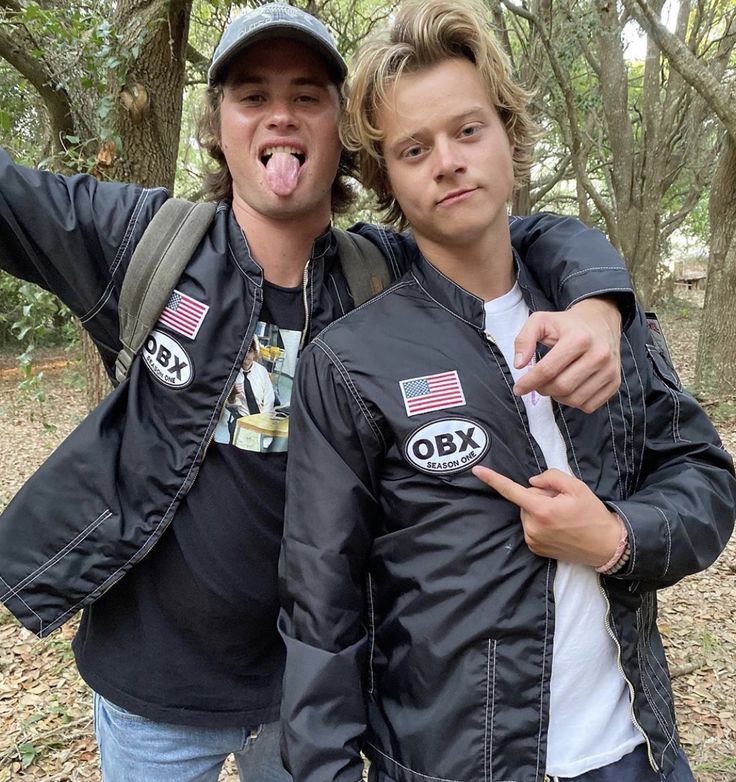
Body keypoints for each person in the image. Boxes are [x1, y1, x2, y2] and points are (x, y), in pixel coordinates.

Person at [0, 3, 633, 781]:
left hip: (307, 699)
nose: (280, 118)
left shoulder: (386, 278)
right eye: (252, 96)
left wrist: (602, 303)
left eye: (307, 96)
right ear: (219, 123)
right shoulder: (141, 243)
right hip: (151, 690)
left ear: (344, 130)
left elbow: (523, 233)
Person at [277, 2, 736, 781]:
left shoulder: (599, 319)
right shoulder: (351, 363)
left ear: (509, 134)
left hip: (635, 754)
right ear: (386, 175)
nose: (448, 161)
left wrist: (618, 538)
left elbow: (707, 483)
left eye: (467, 130)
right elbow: (322, 615)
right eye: (414, 148)